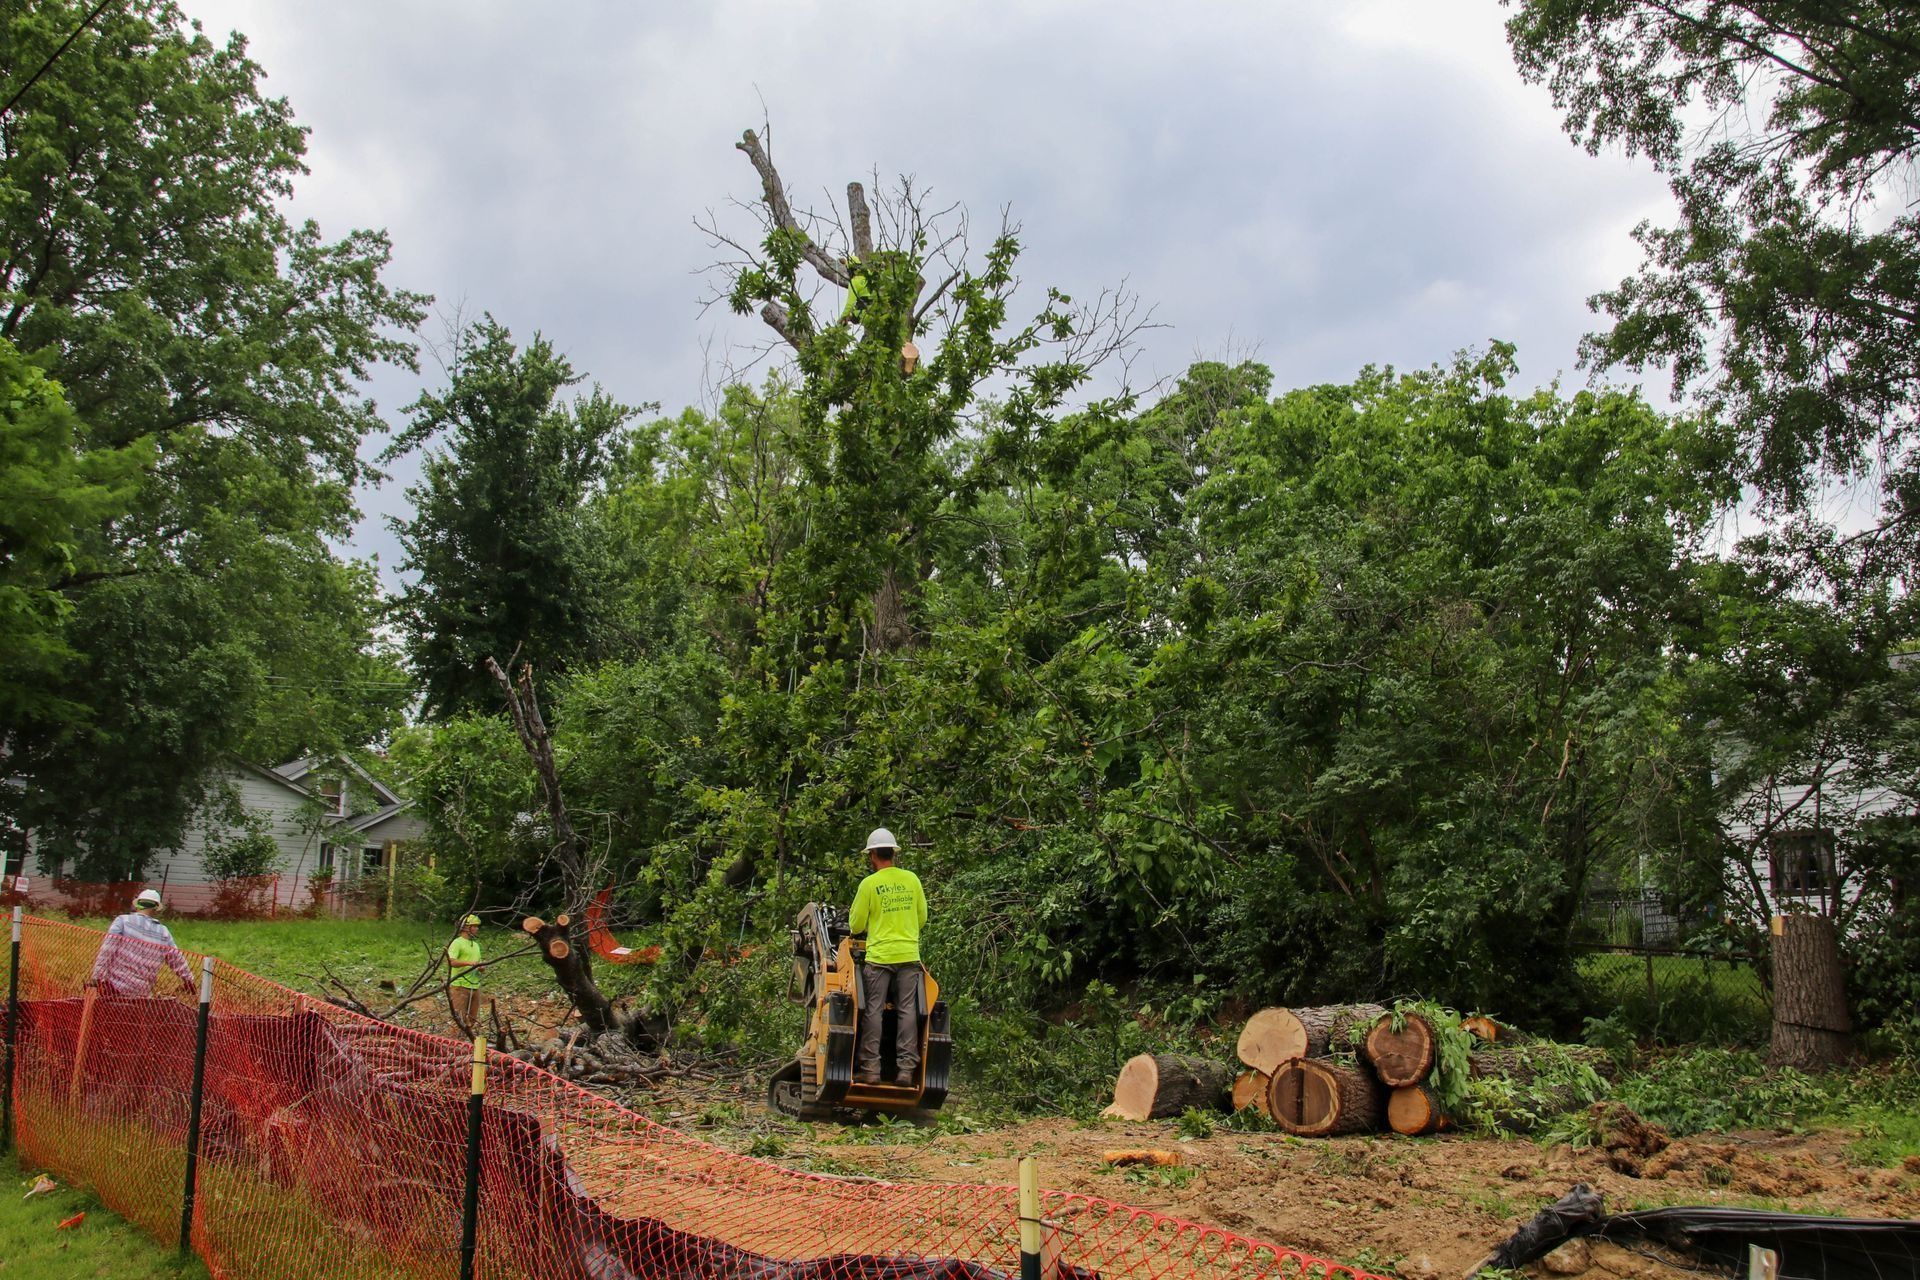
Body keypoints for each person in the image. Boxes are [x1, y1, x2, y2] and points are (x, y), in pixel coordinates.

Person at [847, 827, 928, 1086]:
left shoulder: (869, 884)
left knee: (873, 1011)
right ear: (893, 853)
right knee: (907, 1011)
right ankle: (905, 1071)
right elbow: (922, 918)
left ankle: (871, 1070)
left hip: (880, 957)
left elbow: (856, 925)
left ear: (872, 855)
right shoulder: (912, 880)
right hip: (908, 956)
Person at [88, 888, 196, 997]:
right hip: (142, 993)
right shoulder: (163, 932)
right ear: (156, 909)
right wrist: (189, 980)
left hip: (114, 989)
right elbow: (177, 959)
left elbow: (107, 951)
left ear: (138, 905)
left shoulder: (122, 921)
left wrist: (96, 978)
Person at [447, 914, 486, 1034]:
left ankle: (468, 1043)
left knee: (472, 1019)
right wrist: (469, 963)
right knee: (458, 1020)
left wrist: (481, 967)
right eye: (474, 926)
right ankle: (453, 1044)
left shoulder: (476, 946)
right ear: (465, 927)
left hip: (475, 986)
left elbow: (477, 963)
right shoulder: (457, 943)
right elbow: (451, 961)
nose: (477, 929)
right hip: (460, 986)